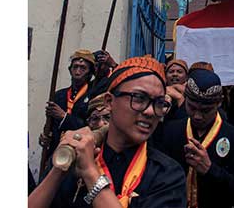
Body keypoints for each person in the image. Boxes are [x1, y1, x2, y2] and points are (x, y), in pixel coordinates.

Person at [29, 55, 185, 208]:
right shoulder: (77, 152)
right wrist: (59, 169)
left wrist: (90, 173)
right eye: (138, 98)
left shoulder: (167, 174)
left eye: (159, 103)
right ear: (109, 101)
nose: (150, 111)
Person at [158, 68, 234, 208]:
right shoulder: (170, 131)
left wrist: (211, 170)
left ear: (219, 103)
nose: (197, 116)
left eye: (206, 110)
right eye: (192, 107)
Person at [40, 50, 97, 159]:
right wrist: (45, 137)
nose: (78, 71)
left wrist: (64, 117)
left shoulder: (93, 96)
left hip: (80, 155)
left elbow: (91, 128)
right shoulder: (59, 95)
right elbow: (50, 127)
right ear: (70, 70)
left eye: (83, 68)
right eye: (75, 67)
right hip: (56, 153)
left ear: (90, 73)